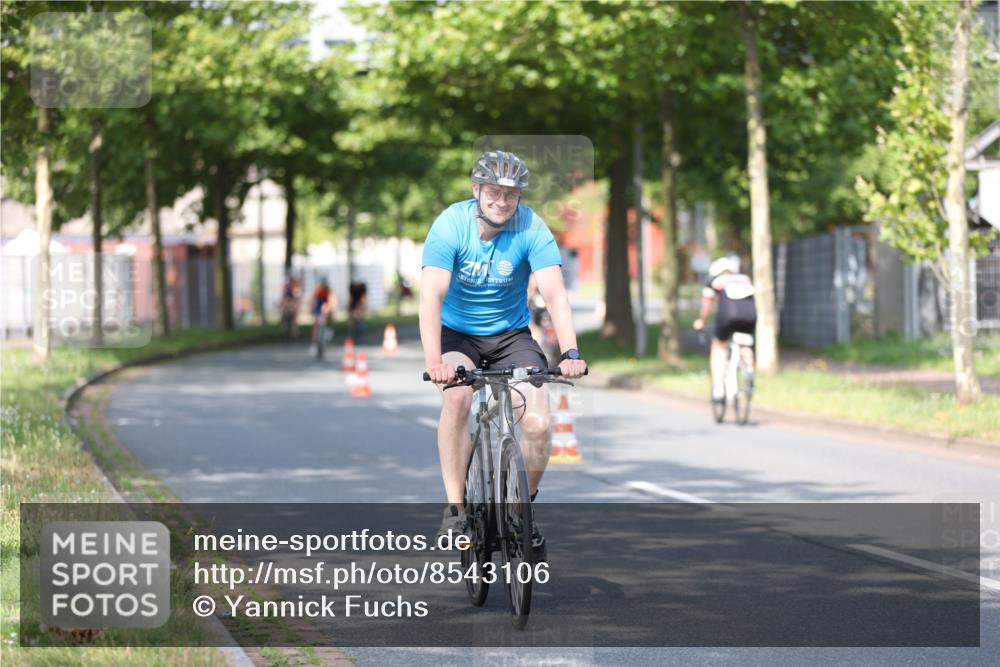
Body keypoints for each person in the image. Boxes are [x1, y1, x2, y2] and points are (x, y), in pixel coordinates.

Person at [420, 150, 588, 561]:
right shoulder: (450, 225)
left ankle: (520, 512)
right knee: (458, 398)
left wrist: (570, 351)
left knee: (538, 418)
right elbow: (431, 297)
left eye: (510, 195)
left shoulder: (531, 226)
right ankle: (456, 510)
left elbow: (555, 296)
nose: (502, 201)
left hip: (511, 334)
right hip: (458, 336)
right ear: (476, 190)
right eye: (493, 192)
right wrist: (435, 363)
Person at [693, 256, 757, 403]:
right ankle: (748, 368)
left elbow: (707, 303)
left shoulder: (715, 281)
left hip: (728, 316)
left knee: (719, 346)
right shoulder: (744, 279)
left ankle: (718, 389)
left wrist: (701, 321)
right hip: (749, 317)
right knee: (745, 344)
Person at [309, 277, 335, 355]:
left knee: (329, 315)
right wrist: (312, 308)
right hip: (318, 305)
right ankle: (314, 343)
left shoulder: (329, 290)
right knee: (315, 324)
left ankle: (328, 328)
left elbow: (331, 300)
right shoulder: (317, 289)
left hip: (326, 304)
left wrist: (329, 308)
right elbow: (313, 299)